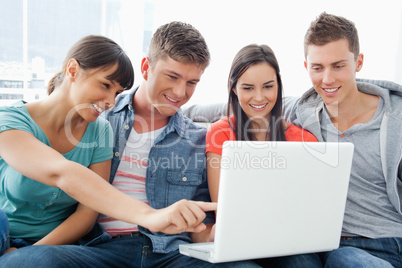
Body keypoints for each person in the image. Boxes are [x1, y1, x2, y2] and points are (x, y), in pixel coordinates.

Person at [0, 22, 259, 268]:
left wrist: (221, 234)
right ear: (146, 67)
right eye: (172, 77)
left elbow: (203, 223)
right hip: (102, 249)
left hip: (170, 252)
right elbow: (66, 176)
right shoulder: (99, 117)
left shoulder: (197, 139)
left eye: (192, 83)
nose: (181, 92)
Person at [280, 12, 402, 267]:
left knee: (344, 258)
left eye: (338, 66)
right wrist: (178, 110)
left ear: (358, 62)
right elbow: (251, 102)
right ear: (306, 68)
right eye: (317, 68)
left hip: (389, 242)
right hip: (326, 244)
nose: (327, 79)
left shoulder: (395, 118)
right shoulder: (303, 111)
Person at [206, 44, 318, 204]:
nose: (259, 97)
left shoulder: (305, 140)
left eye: (268, 87)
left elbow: (309, 202)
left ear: (278, 86)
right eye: (248, 88)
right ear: (235, 89)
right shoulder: (220, 133)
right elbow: (221, 207)